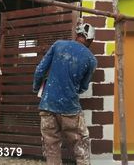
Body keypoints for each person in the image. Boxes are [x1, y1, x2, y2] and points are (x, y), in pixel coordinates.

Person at [33, 22, 97, 165]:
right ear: (90, 40)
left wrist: (37, 88)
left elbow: (39, 71)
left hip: (47, 105)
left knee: (51, 147)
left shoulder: (58, 45)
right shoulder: (91, 60)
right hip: (70, 109)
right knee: (81, 146)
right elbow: (83, 87)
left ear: (77, 34)